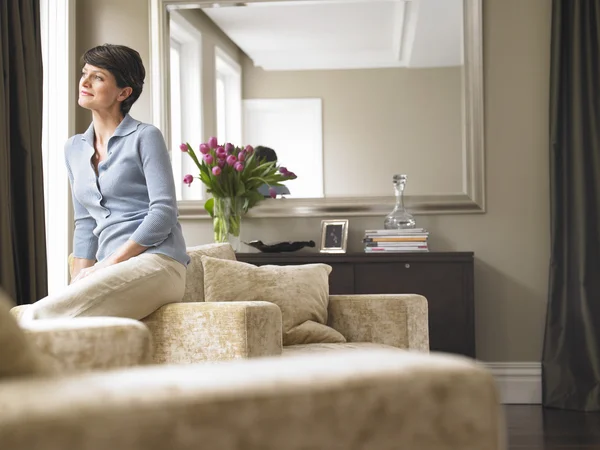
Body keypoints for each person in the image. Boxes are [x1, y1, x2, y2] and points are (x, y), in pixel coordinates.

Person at [22, 44, 189, 321]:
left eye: (98, 77)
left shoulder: (145, 136)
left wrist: (106, 266)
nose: (84, 82)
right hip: (109, 269)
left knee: (38, 316)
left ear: (124, 93)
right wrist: (77, 282)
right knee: (49, 315)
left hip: (159, 263)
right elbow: (86, 223)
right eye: (84, 73)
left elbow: (163, 214)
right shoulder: (73, 148)